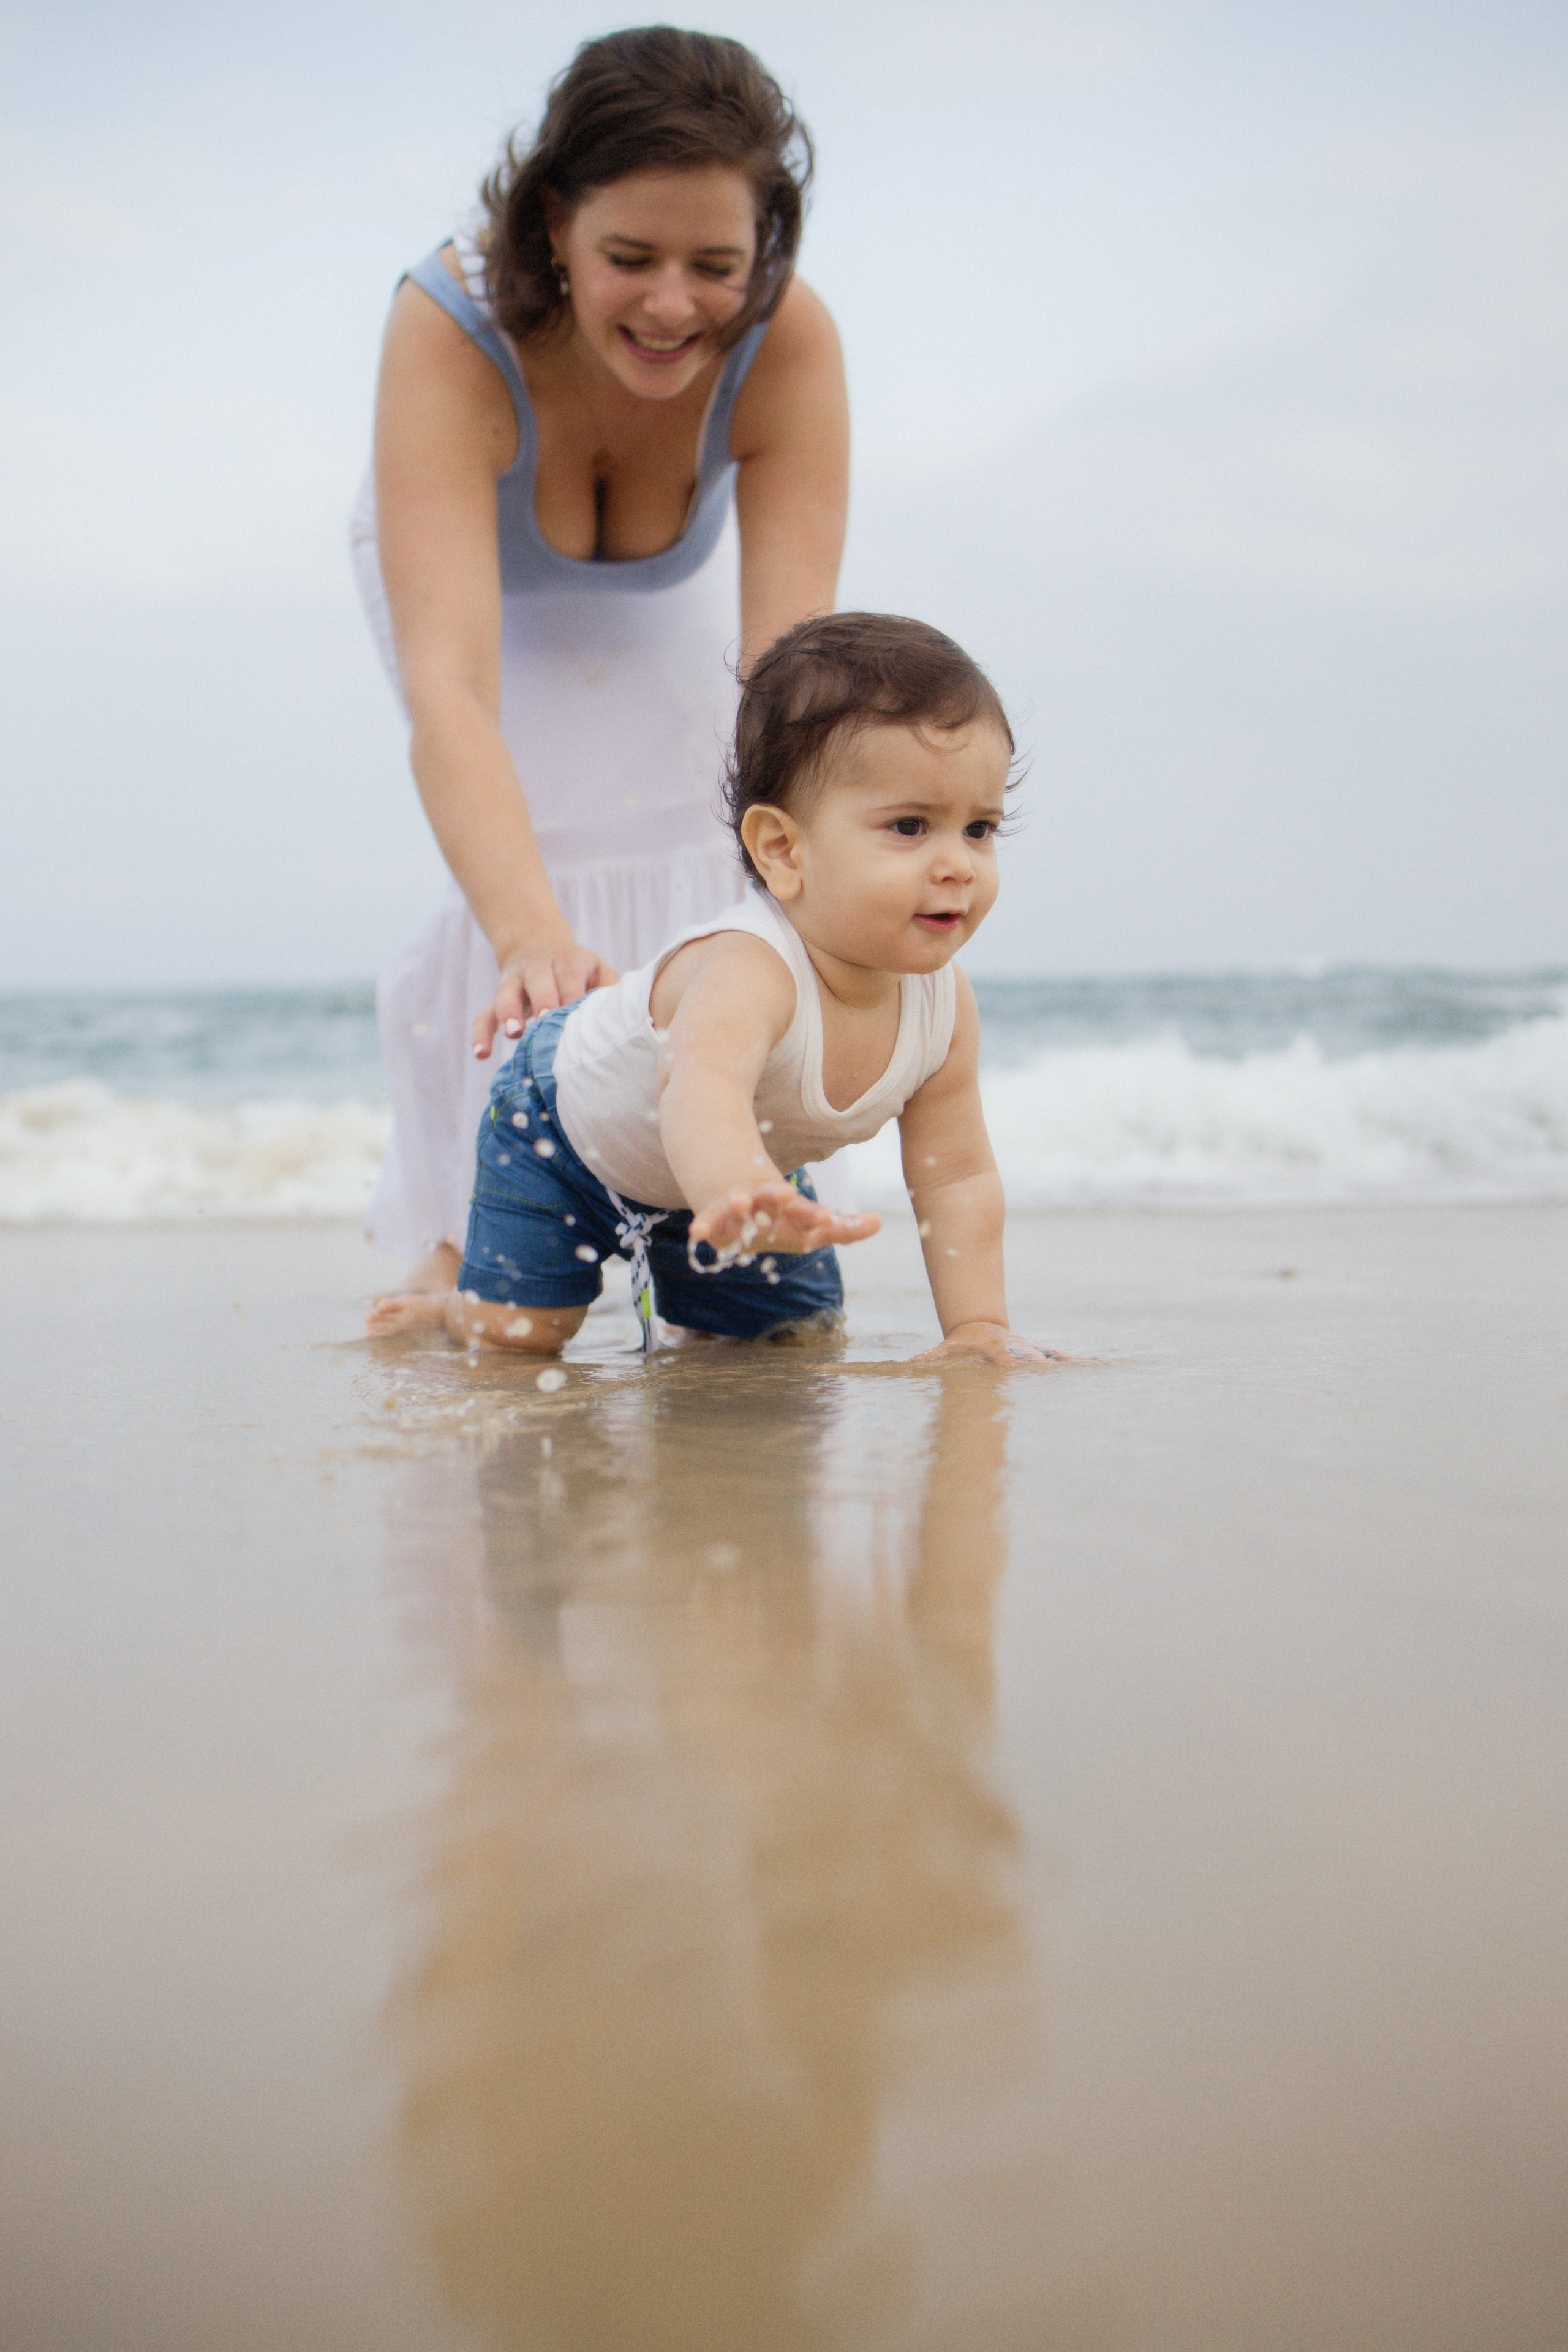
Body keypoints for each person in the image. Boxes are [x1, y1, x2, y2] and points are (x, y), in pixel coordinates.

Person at [352, 28, 850, 1292]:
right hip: (469, 583)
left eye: (714, 265)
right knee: (543, 872)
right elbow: (451, 694)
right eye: (628, 259)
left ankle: (712, 1204)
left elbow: (784, 686)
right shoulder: (447, 330)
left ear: (764, 251)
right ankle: (461, 1243)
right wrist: (531, 938)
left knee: (710, 838)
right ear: (554, 228)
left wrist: (815, 928)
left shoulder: (785, 343)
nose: (673, 305)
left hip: (657, 602)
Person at [367, 614, 1064, 1368]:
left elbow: (956, 1174)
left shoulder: (942, 1007)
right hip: (563, 1134)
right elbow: (699, 1087)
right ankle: (458, 1310)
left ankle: (710, 1277)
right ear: (783, 850)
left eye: (980, 828)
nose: (958, 863)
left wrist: (976, 1327)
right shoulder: (751, 968)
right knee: (524, 1339)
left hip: (727, 1171)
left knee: (786, 1340)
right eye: (909, 826)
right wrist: (740, 1192)